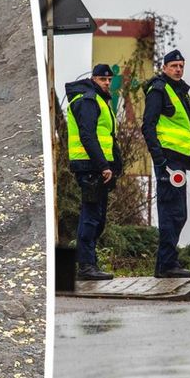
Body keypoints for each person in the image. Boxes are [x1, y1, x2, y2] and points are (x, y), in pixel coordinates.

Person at [141, 48, 190, 278]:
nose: (178, 70)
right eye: (174, 66)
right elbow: (148, 126)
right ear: (164, 67)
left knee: (179, 213)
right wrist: (160, 158)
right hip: (168, 161)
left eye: (181, 66)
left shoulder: (183, 93)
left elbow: (186, 129)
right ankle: (166, 265)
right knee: (171, 212)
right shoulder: (159, 90)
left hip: (179, 162)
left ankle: (167, 262)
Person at [66, 63, 122, 280]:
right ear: (93, 79)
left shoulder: (99, 100)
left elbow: (107, 137)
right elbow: (88, 136)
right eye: (102, 79)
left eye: (109, 80)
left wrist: (113, 165)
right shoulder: (88, 100)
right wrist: (103, 166)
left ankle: (89, 264)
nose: (107, 83)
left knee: (97, 217)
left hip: (96, 167)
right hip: (90, 167)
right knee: (91, 217)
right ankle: (86, 267)